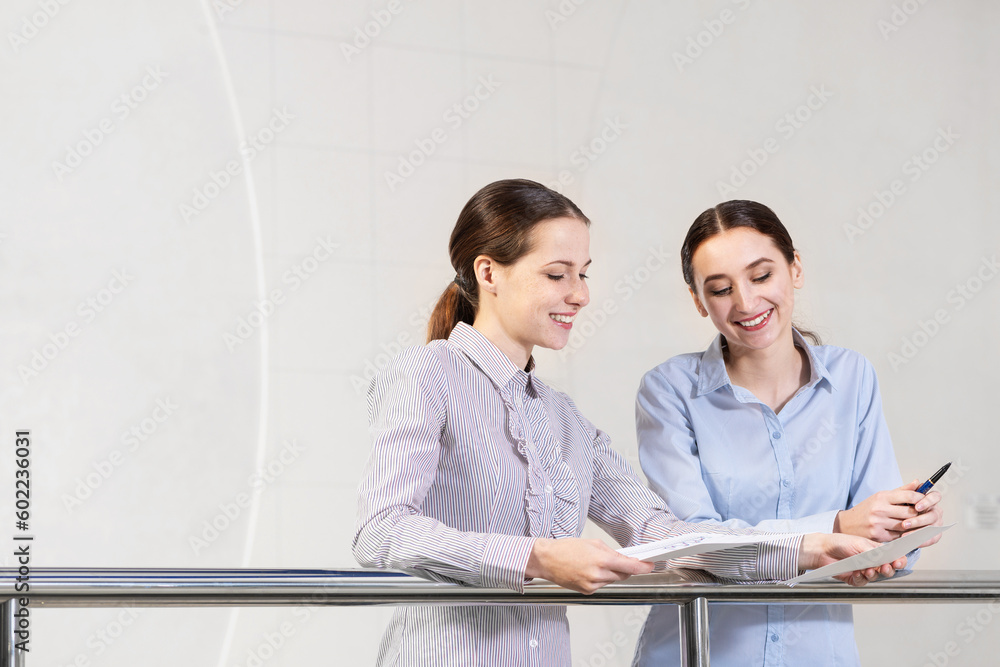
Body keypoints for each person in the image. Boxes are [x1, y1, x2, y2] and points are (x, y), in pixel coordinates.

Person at [353, 182, 904, 667]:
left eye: (583, 275)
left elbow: (667, 537)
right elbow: (381, 531)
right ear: (488, 272)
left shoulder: (564, 419)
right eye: (557, 274)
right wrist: (538, 557)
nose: (581, 294)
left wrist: (810, 547)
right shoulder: (427, 372)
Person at [632, 200, 944, 667]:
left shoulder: (853, 377)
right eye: (720, 289)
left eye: (761, 276)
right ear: (699, 301)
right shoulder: (669, 390)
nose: (746, 302)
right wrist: (835, 528)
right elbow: (692, 544)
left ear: (795, 268)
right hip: (699, 653)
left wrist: (900, 531)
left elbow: (876, 542)